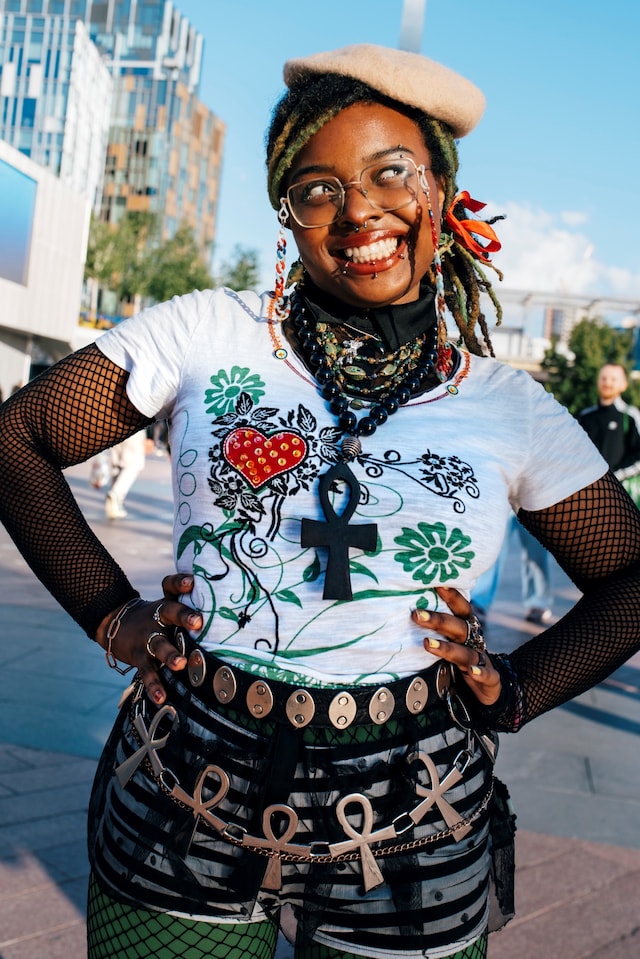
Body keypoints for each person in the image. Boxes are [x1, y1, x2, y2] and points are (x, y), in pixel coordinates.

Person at [0, 43, 639, 959]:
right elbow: (15, 438)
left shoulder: (508, 407)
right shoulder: (207, 332)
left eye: (392, 173)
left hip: (416, 821)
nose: (360, 211)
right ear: (287, 219)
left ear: (442, 192)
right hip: (186, 791)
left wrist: (521, 687)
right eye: (317, 188)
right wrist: (111, 615)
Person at [472, 514, 554, 626]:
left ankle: (538, 602)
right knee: (494, 550)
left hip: (533, 502)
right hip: (504, 500)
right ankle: (479, 603)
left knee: (536, 554)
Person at [578, 362, 640, 505]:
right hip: (586, 496)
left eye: (613, 379)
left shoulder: (630, 416)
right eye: (604, 378)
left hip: (621, 498)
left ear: (623, 385)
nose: (607, 383)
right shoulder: (585, 416)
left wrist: (615, 477)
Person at [105, 428, 147, 519]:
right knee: (134, 464)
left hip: (115, 427)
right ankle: (116, 494)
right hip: (135, 427)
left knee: (117, 464)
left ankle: (116, 502)